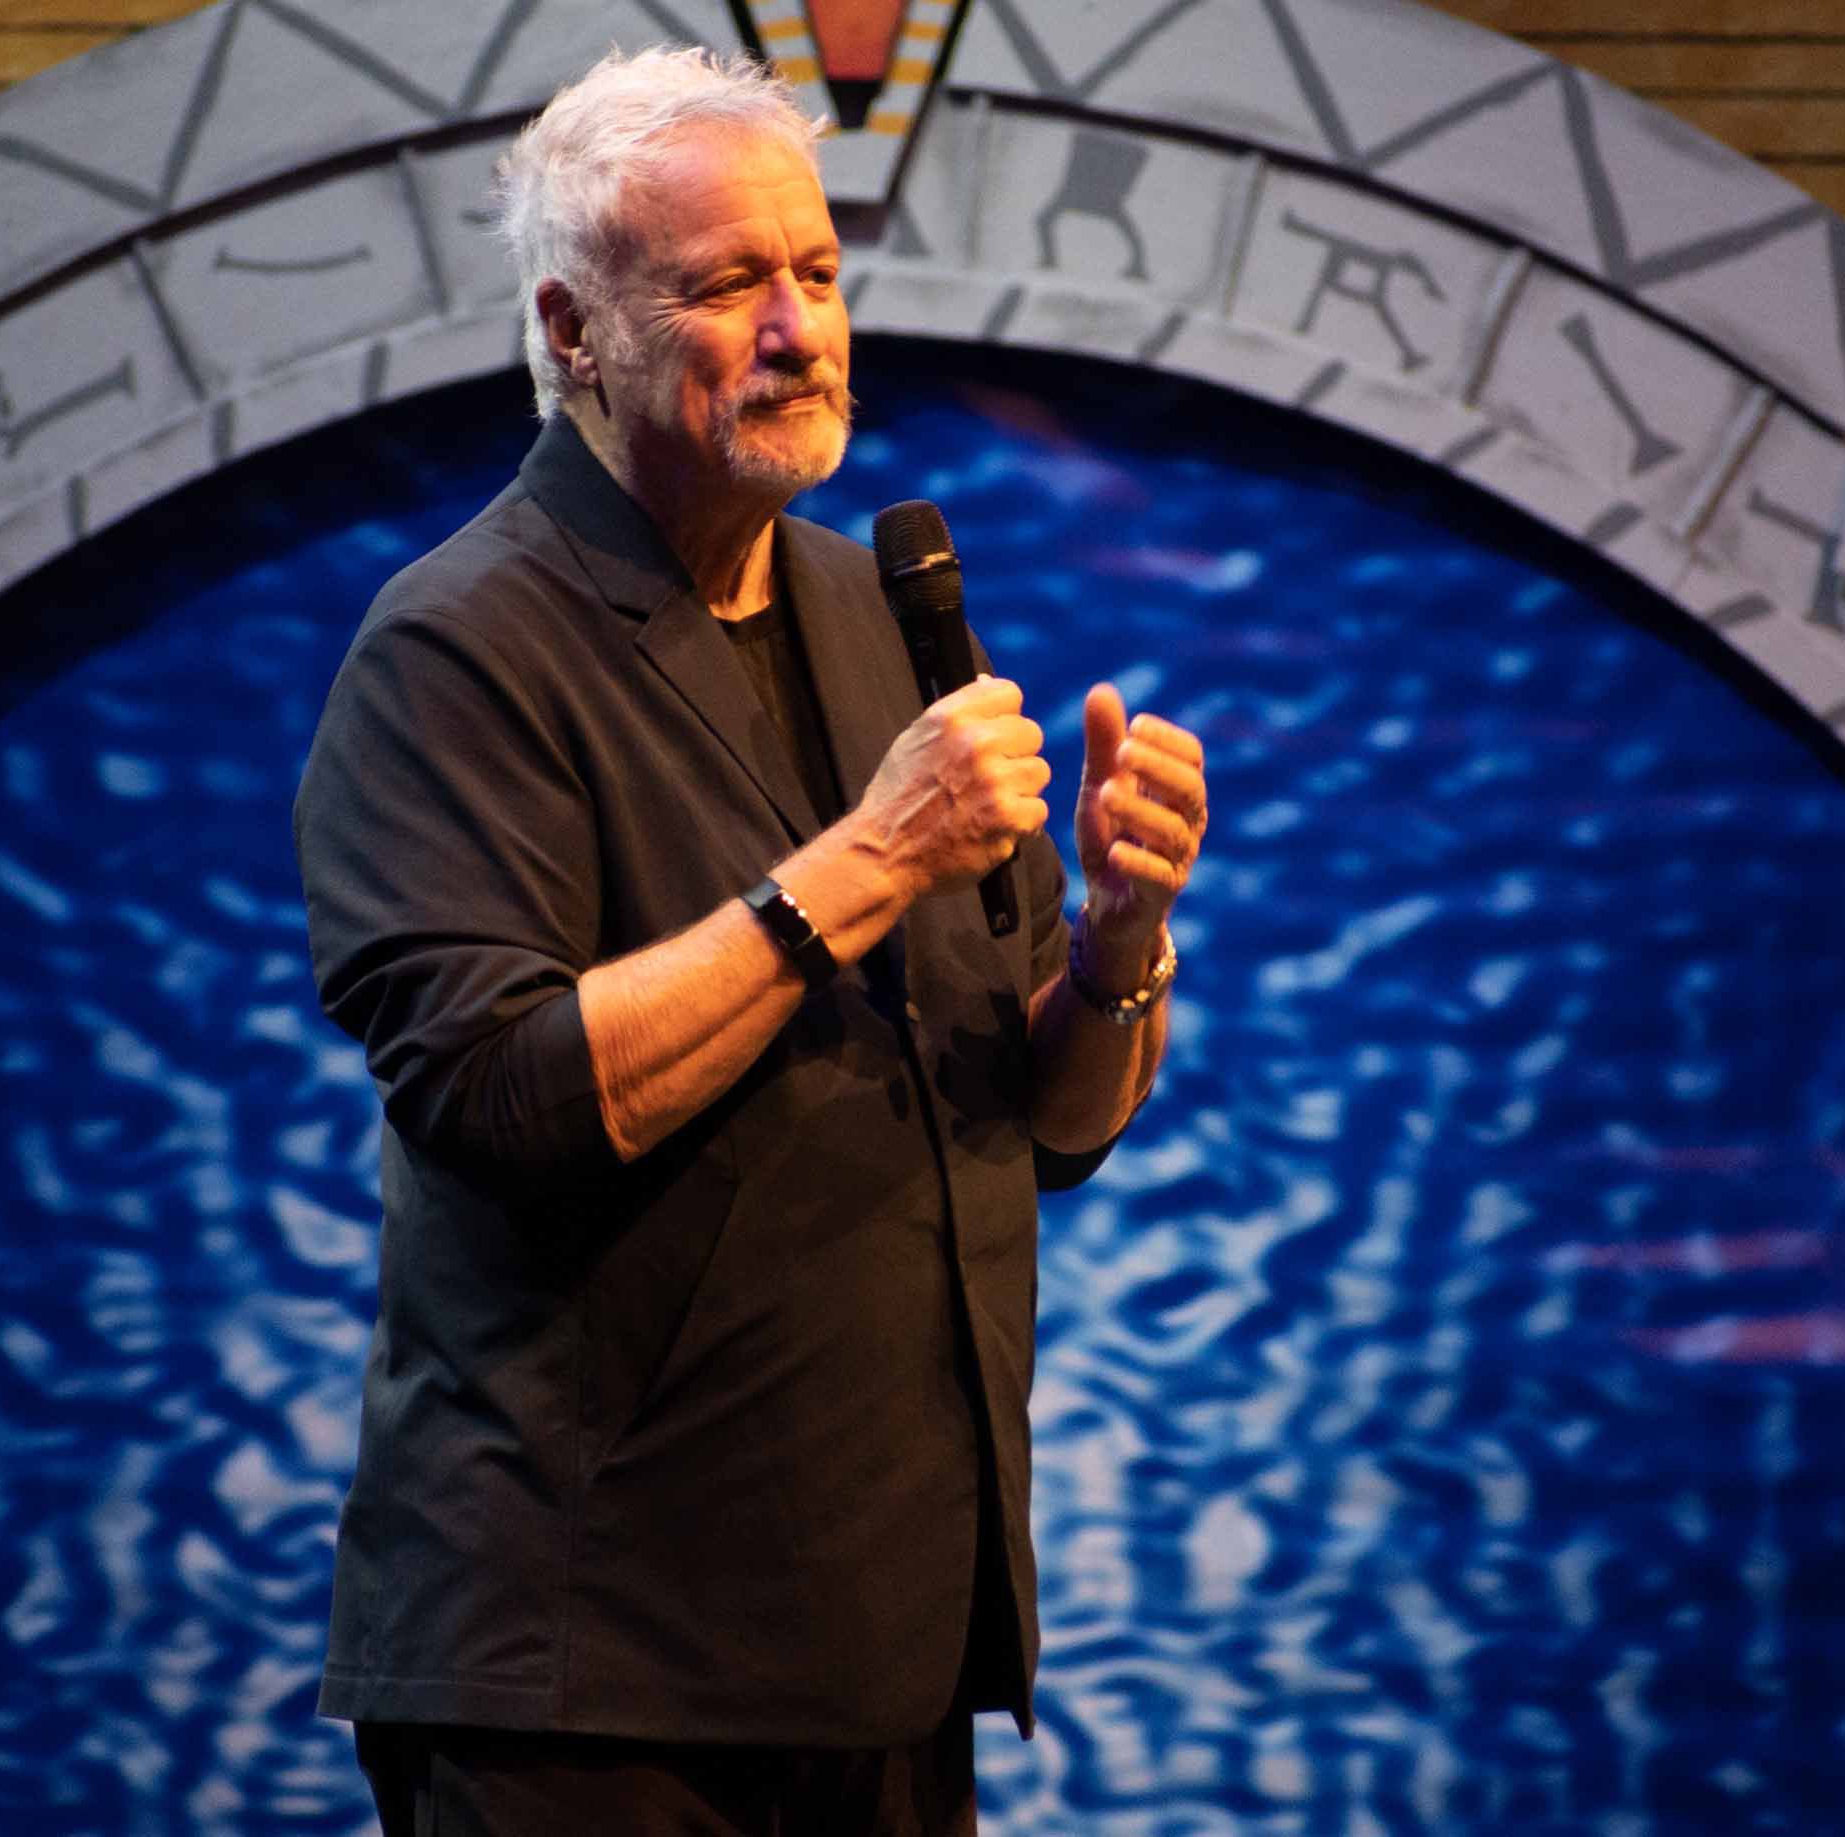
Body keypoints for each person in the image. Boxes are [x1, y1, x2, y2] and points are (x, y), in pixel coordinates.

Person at [291, 44, 1211, 1837]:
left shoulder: (886, 611)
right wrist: (867, 859)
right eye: (729, 285)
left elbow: (1046, 1120)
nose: (801, 329)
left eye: (819, 272)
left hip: (884, 1655)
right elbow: (501, 1094)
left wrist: (1119, 948)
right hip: (591, 1682)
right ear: (574, 333)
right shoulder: (457, 651)